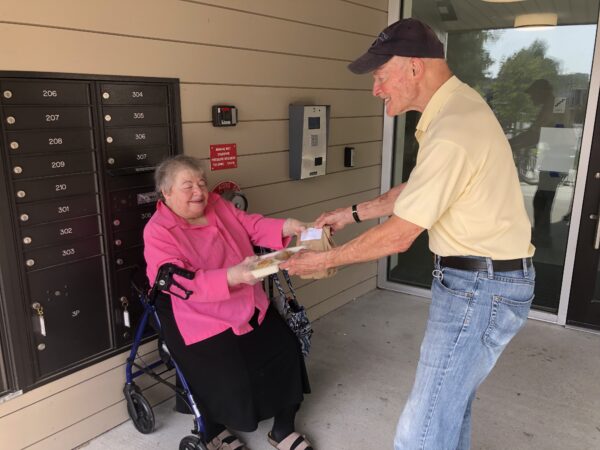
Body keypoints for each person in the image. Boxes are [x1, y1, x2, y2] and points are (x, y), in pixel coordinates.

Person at [281, 18, 535, 450]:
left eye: (380, 75)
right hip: (482, 283)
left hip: (480, 287)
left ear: (414, 68)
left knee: (422, 426)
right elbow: (417, 190)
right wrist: (352, 212)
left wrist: (323, 260)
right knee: (448, 408)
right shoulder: (455, 111)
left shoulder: (454, 128)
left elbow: (399, 237)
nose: (375, 89)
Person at [143, 155, 313, 450]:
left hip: (247, 299)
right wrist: (232, 276)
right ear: (166, 193)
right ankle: (214, 431)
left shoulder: (217, 205)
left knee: (286, 350)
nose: (199, 191)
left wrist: (288, 227)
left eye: (201, 183)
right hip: (200, 314)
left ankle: (283, 430)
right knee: (227, 373)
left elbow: (251, 225)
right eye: (188, 186)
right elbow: (179, 281)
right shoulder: (158, 231)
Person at [509, 79, 570, 245]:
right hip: (559, 154)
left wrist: (508, 144)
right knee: (544, 196)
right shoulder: (552, 104)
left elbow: (534, 135)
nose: (531, 98)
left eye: (532, 94)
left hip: (559, 155)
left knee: (543, 197)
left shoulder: (552, 106)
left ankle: (543, 238)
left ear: (542, 91)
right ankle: (542, 235)